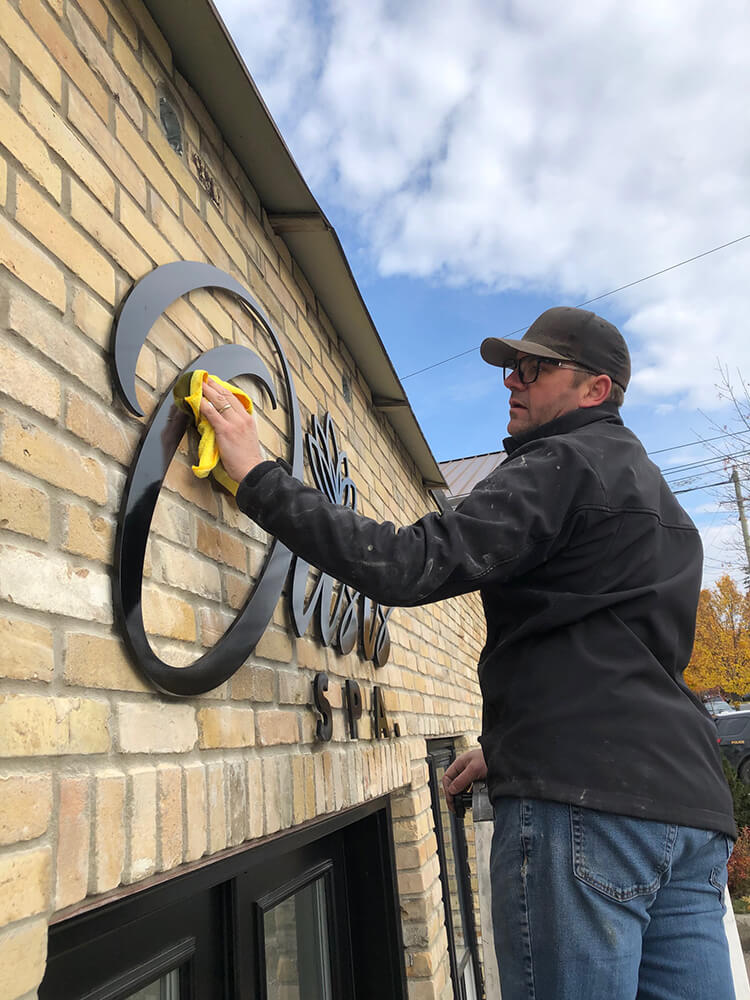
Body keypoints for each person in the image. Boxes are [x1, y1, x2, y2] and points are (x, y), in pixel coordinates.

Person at [200, 306, 736, 1000]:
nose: (512, 380)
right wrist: (519, 743)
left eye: (536, 368)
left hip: (586, 813)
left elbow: (404, 562)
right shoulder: (669, 513)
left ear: (595, 390)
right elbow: (621, 661)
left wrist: (256, 476)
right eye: (514, 366)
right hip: (691, 818)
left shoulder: (562, 462)